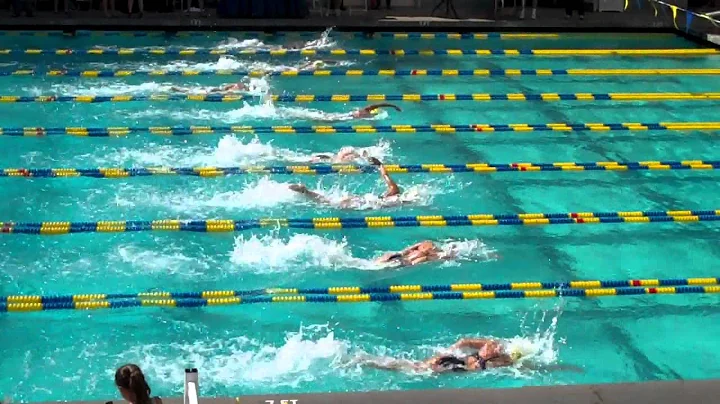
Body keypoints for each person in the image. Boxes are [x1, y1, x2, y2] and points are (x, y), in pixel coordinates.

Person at [289, 157, 408, 209]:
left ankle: (306, 191)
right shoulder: (393, 199)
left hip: (363, 199)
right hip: (364, 204)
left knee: (329, 201)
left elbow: (385, 175)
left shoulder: (394, 191)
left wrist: (379, 165)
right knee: (328, 203)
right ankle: (306, 191)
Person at [359, 338, 521, 373]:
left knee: (415, 367)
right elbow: (464, 341)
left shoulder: (502, 359)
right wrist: (449, 351)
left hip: (459, 366)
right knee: (417, 368)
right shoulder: (491, 345)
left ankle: (369, 361)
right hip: (456, 363)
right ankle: (369, 362)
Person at [375, 240, 457, 267]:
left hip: (406, 261)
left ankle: (447, 255)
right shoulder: (423, 247)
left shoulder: (424, 252)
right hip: (405, 260)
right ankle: (447, 255)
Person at [169, 81, 248, 95]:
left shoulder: (235, 86)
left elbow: (224, 88)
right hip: (211, 91)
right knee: (190, 92)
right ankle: (178, 89)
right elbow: (224, 89)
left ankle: (178, 89)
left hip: (211, 90)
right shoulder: (234, 90)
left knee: (191, 91)